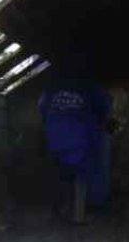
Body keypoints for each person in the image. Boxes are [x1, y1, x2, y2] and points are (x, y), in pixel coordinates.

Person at [39, 72, 113, 223]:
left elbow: (41, 108)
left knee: (63, 175)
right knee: (81, 176)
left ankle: (63, 210)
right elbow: (104, 107)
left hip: (55, 138)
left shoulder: (52, 88)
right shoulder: (90, 87)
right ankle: (78, 216)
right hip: (80, 138)